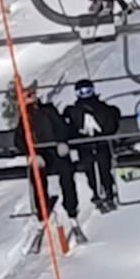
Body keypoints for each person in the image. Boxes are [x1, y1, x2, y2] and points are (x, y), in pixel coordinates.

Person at [13, 83, 79, 224]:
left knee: (66, 170)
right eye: (28, 96)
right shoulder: (24, 119)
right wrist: (31, 154)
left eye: (33, 95)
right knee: (36, 174)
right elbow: (19, 140)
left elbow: (61, 127)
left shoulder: (48, 110)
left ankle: (71, 207)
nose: (33, 98)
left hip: (55, 151)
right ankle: (42, 209)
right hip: (40, 154)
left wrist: (62, 142)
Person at [63, 79, 120, 210]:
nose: (85, 94)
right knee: (89, 167)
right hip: (84, 145)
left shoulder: (102, 107)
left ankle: (108, 190)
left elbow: (110, 123)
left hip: (101, 143)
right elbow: (69, 129)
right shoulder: (73, 110)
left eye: (88, 91)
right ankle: (96, 191)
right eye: (82, 92)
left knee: (103, 164)